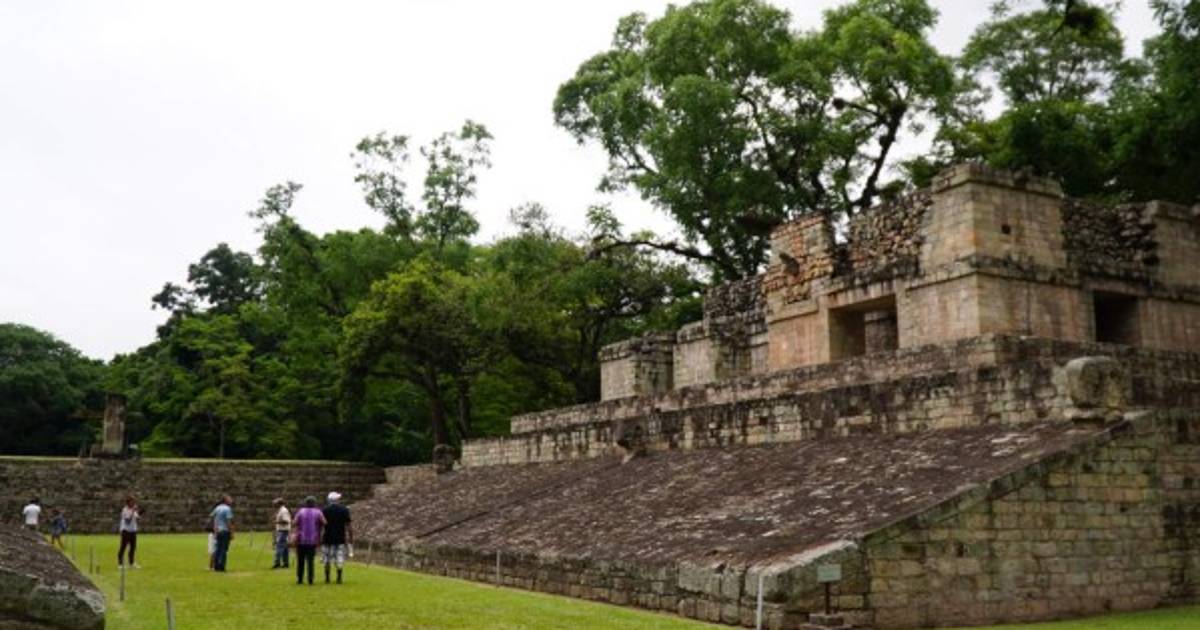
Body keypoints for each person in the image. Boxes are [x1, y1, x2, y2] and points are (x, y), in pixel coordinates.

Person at [291, 496, 325, 585]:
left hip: (301, 539)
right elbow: (324, 522)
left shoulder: (300, 511)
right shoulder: (318, 512)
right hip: (313, 540)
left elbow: (294, 522)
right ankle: (310, 579)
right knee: (310, 561)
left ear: (306, 503)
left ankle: (300, 579)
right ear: (314, 503)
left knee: (300, 560)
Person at [321, 491, 353, 584]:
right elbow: (348, 525)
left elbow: (321, 525)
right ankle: (339, 577)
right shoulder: (344, 510)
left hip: (327, 537)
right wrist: (351, 536)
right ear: (337, 500)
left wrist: (319, 537)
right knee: (339, 557)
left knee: (327, 558)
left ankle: (327, 578)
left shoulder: (325, 510)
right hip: (340, 537)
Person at [209, 495, 234, 572]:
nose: (231, 500)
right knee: (224, 549)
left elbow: (213, 517)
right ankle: (221, 566)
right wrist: (231, 532)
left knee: (218, 548)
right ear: (225, 500)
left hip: (218, 531)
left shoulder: (217, 508)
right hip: (225, 531)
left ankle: (216, 566)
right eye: (229, 499)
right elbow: (228, 522)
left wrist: (215, 529)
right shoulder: (227, 509)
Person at [118, 495, 141, 568]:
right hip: (126, 530)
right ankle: (120, 564)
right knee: (123, 547)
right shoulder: (125, 510)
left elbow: (137, 518)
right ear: (128, 502)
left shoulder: (133, 510)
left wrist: (140, 513)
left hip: (133, 530)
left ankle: (132, 563)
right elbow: (128, 521)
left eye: (134, 502)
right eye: (132, 502)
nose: (133, 503)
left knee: (133, 547)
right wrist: (133, 511)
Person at [271, 498, 291, 569]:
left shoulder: (283, 511)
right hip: (282, 530)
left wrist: (276, 522)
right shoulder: (280, 510)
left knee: (279, 547)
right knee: (285, 548)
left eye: (275, 504)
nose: (274, 505)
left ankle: (277, 563)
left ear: (279, 504)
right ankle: (286, 563)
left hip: (283, 531)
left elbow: (286, 521)